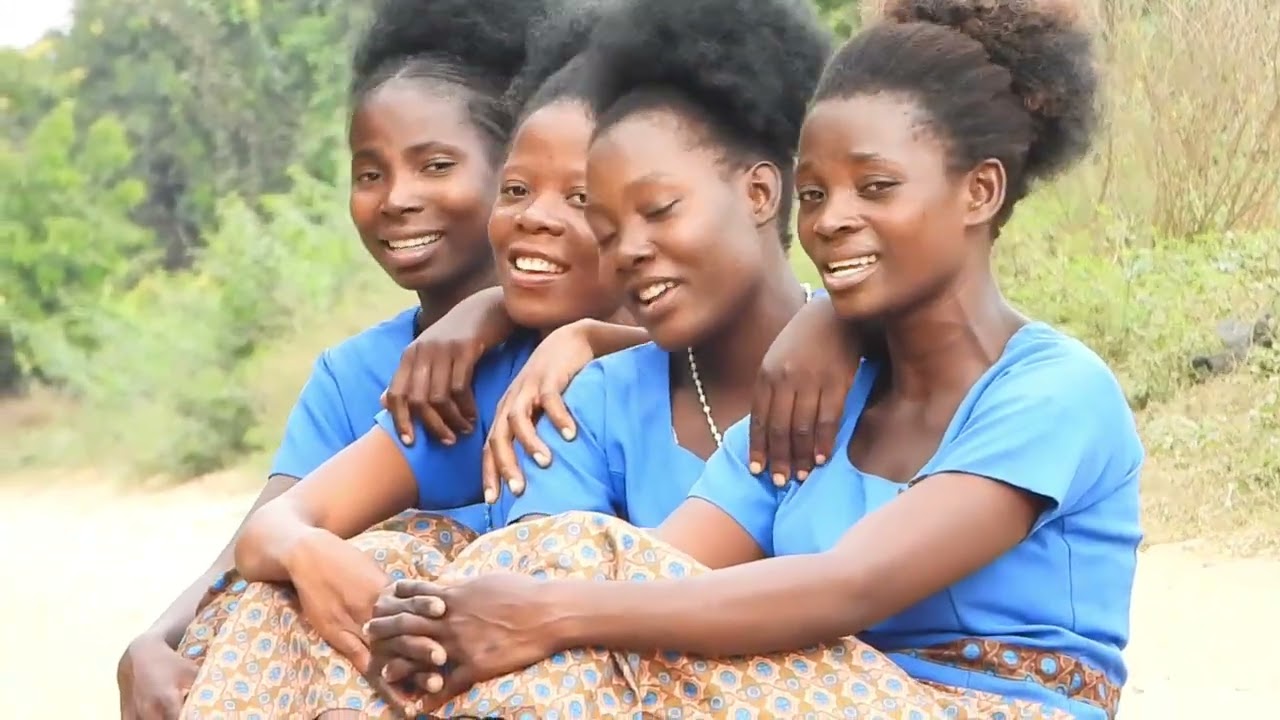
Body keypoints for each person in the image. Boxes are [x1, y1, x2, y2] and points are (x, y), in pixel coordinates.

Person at [365, 1, 1140, 719]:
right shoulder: (812, 402)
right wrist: (461, 617)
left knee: (572, 610)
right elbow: (657, 566)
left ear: (979, 192)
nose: (835, 221)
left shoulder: (1052, 391)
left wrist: (543, 614)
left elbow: (852, 584)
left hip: (978, 706)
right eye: (816, 195)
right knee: (536, 563)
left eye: (876, 187)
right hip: (809, 692)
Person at [113, 0, 542, 716]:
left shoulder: (575, 346)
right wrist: (154, 640)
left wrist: (493, 311)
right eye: (369, 174)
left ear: (513, 171)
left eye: (435, 165)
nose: (397, 198)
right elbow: (251, 548)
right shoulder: (353, 375)